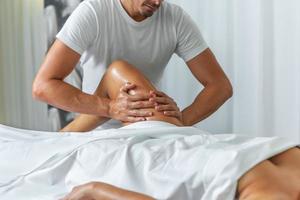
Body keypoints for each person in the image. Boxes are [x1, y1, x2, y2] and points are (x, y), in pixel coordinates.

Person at [61, 60, 300, 200]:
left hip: (166, 167)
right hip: (187, 139)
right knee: (119, 72)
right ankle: (61, 139)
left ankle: (58, 143)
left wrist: (97, 190)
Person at [32, 0, 233, 130]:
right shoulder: (93, 11)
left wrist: (182, 119)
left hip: (148, 123)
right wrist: (111, 108)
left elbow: (220, 86)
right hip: (98, 129)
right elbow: (43, 86)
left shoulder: (175, 19)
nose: (157, 2)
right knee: (118, 70)